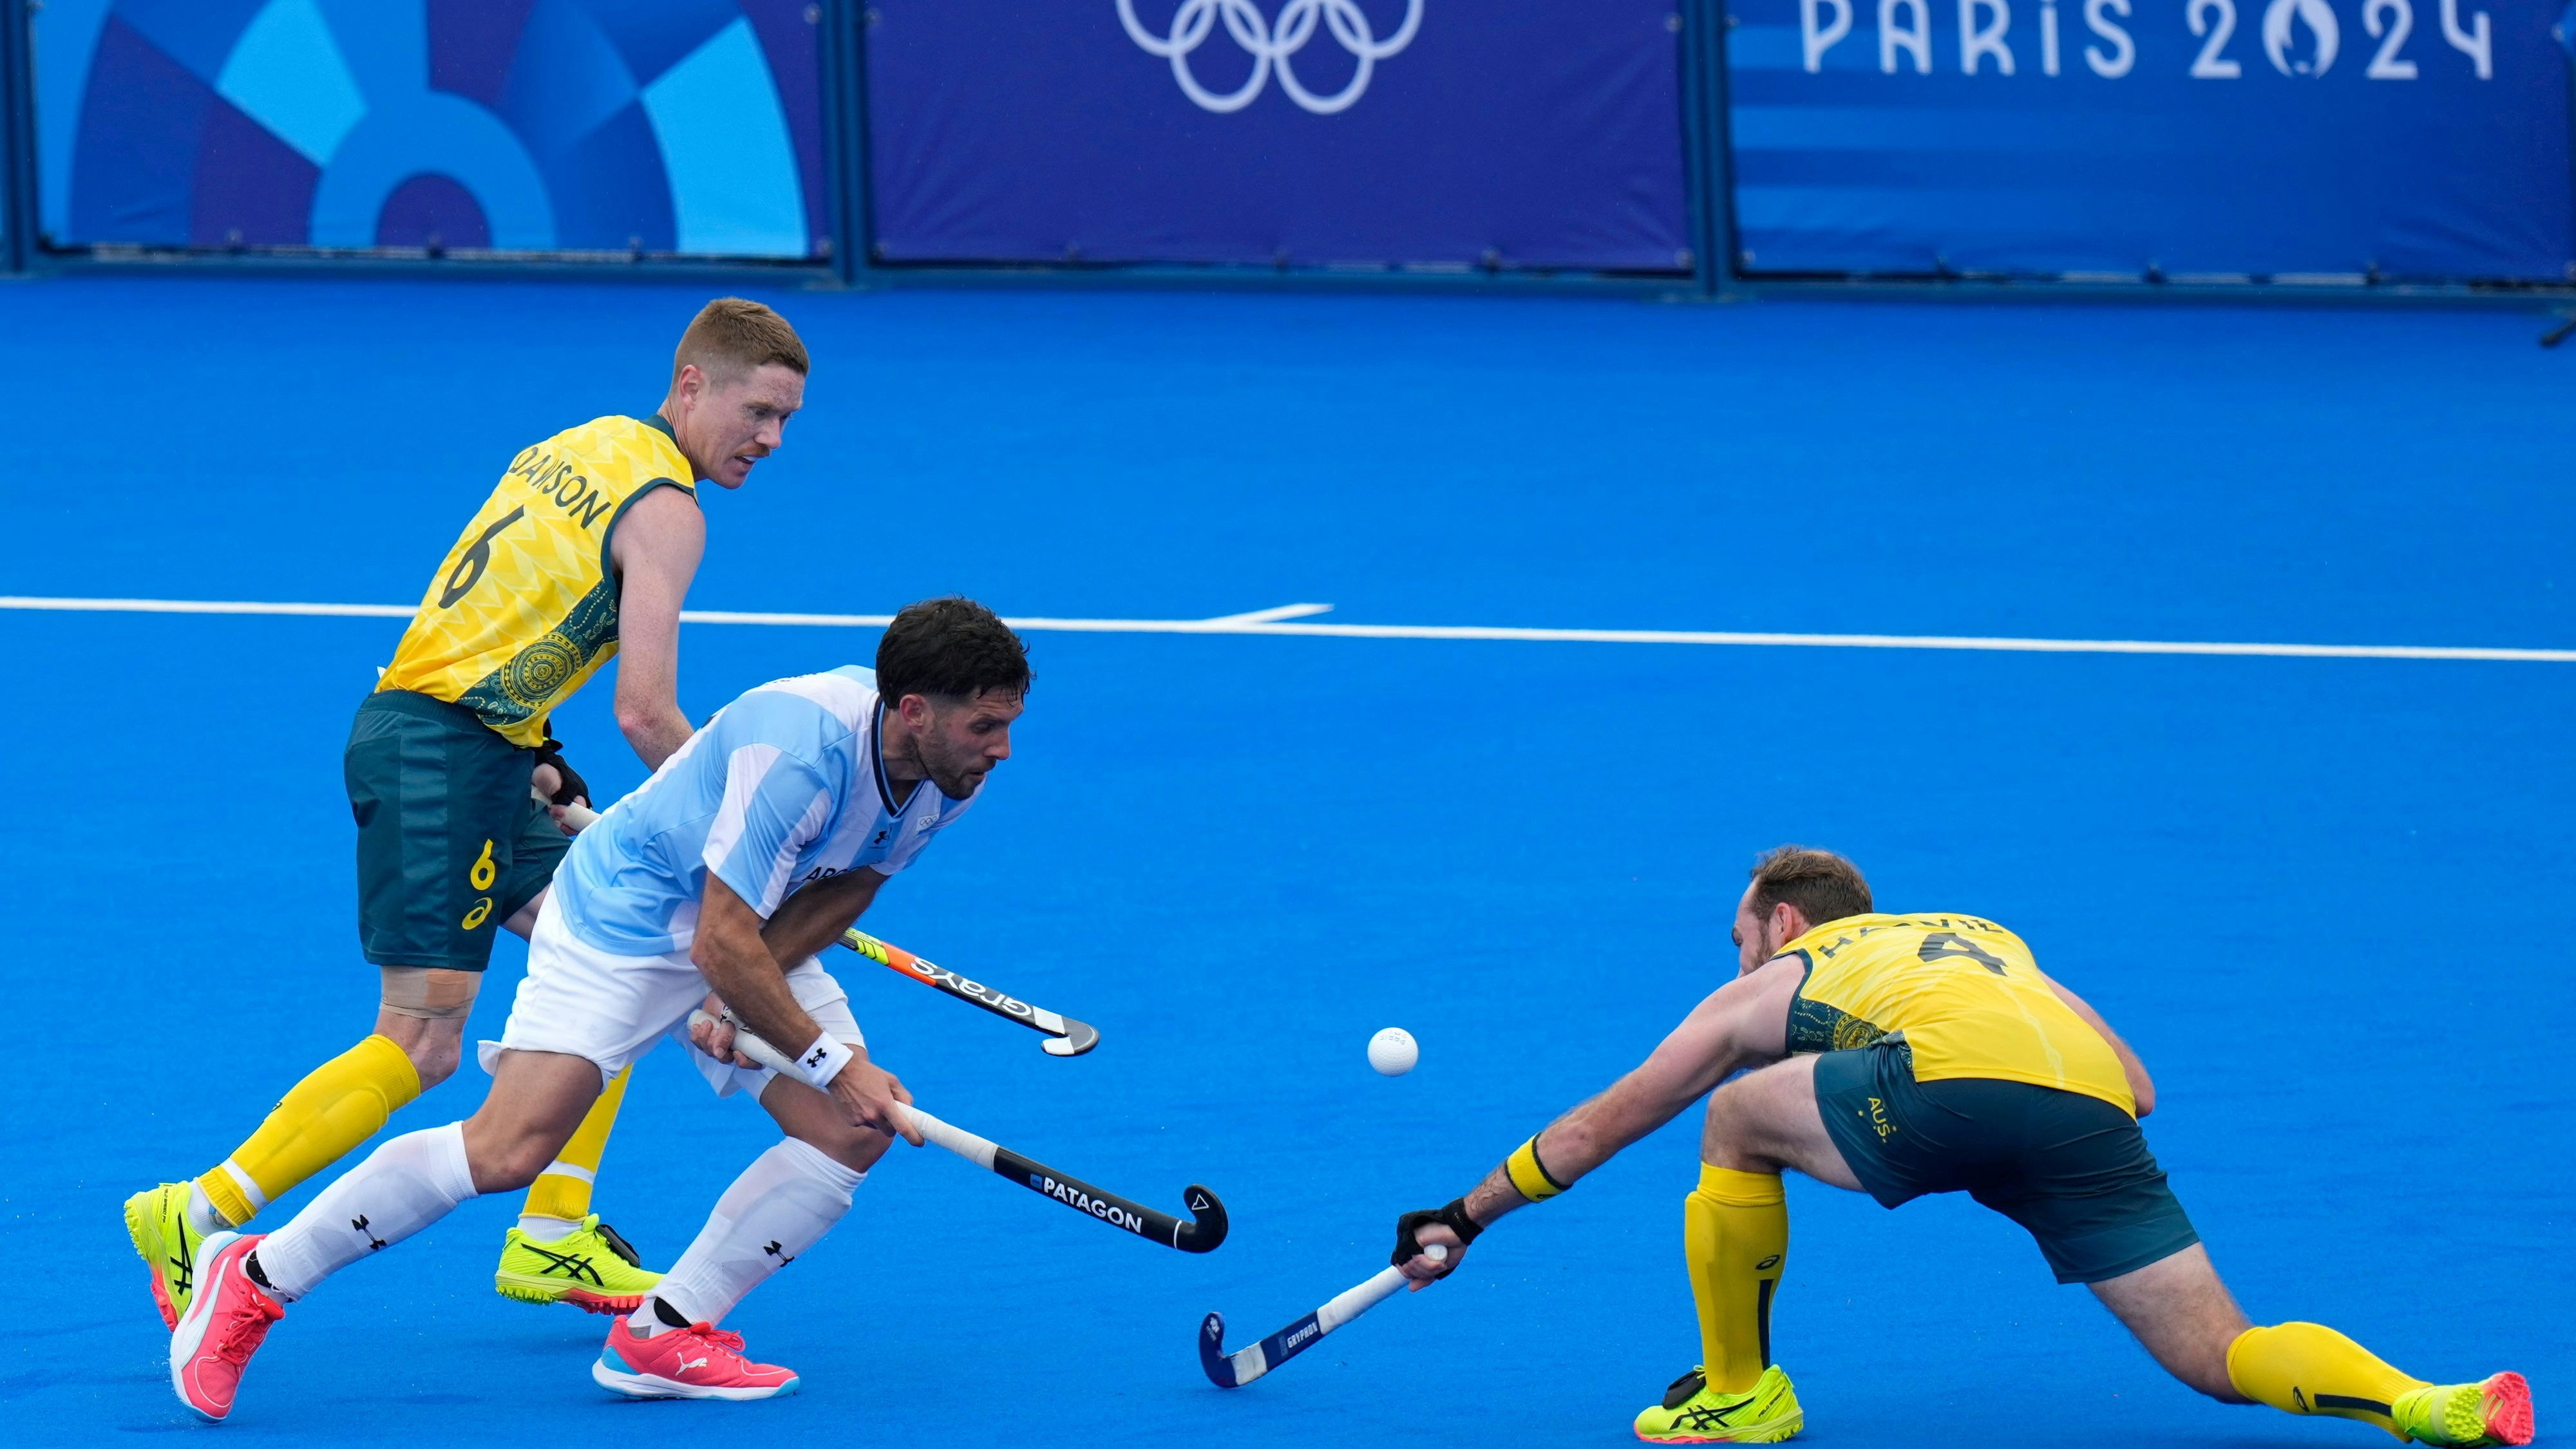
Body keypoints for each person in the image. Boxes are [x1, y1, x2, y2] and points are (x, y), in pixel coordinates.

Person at [167, 598, 1030, 1422]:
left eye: (1007, 725)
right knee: (512, 1147)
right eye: (984, 727)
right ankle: (255, 1275)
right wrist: (829, 1061)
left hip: (745, 922)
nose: (1001, 751)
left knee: (851, 1132)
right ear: (912, 709)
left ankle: (664, 1331)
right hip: (627, 909)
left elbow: (847, 888)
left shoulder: (952, 773)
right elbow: (716, 943)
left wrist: (742, 1005)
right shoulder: (803, 754)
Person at [125, 298, 811, 1330]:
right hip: (439, 754)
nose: (770, 440)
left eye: (787, 421)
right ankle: (200, 1210)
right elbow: (648, 711)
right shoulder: (671, 510)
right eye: (758, 411)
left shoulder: (582, 444)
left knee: (632, 950)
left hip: (473, 744)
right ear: (691, 386)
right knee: (424, 1038)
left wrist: (535, 755)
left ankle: (553, 1232)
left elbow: (484, 618)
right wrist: (739, 835)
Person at [1391, 846, 2533, 1448]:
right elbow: (2137, 1082)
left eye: (1738, 936)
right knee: (2220, 1355)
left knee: (1732, 1113)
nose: (1738, 961)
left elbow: (1619, 1112)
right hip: (2083, 1108)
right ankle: (2428, 1402)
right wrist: (2011, 1152)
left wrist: (1469, 1210)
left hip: (1945, 1091)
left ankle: (1740, 1395)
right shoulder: (1988, 937)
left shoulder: (1792, 972)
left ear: (1785, 922)